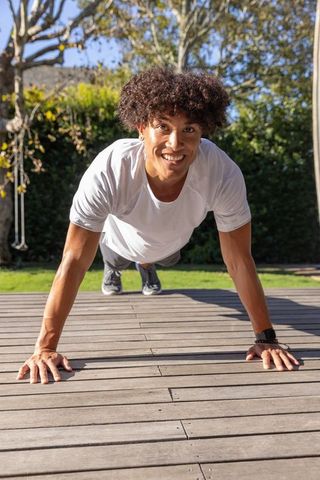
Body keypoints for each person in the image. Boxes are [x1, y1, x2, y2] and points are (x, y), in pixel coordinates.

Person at [17, 68, 299, 384]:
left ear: (203, 131)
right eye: (162, 127)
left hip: (171, 245)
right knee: (115, 258)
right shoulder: (111, 168)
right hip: (117, 243)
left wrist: (267, 337)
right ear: (141, 128)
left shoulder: (222, 172)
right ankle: (118, 269)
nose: (175, 144)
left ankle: (148, 266)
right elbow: (74, 260)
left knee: (161, 257)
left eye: (189, 129)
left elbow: (239, 259)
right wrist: (45, 347)